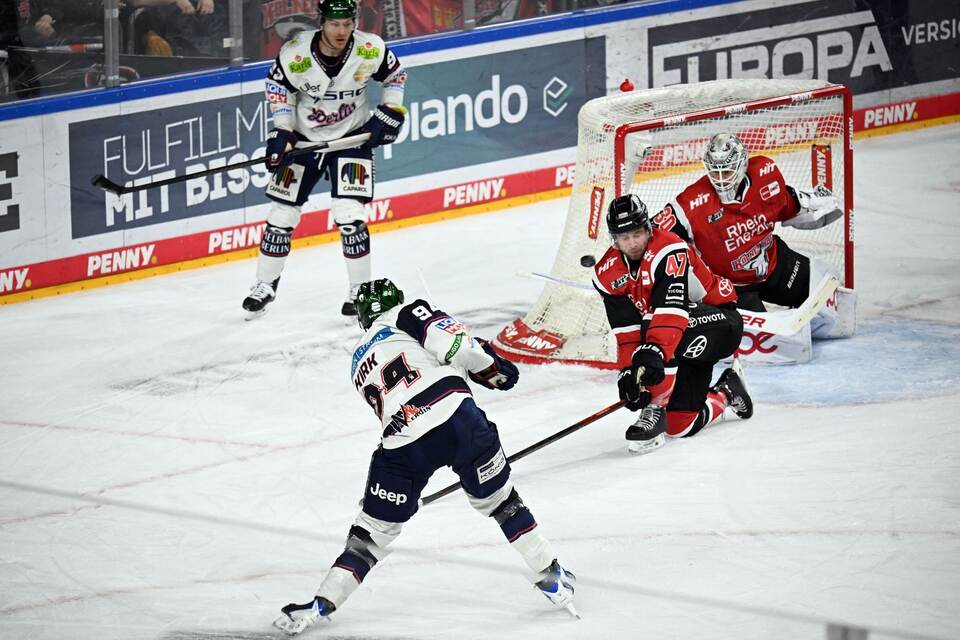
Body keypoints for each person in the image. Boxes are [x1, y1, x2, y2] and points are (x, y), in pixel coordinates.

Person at [272, 278, 577, 635]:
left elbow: (416, 374)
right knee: (502, 503)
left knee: (371, 534)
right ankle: (551, 575)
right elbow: (454, 345)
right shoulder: (406, 311)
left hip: (402, 444)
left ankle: (321, 603)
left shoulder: (357, 360)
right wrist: (492, 368)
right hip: (458, 421)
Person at [242, 0, 407, 319]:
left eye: (347, 23)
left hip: (351, 141)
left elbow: (396, 77)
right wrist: (282, 130)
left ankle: (360, 292)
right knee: (281, 215)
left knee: (350, 216)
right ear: (322, 23)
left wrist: (390, 111)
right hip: (304, 143)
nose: (341, 31)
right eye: (334, 24)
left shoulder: (370, 49)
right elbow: (277, 86)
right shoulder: (296, 53)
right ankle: (264, 284)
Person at [594, 194, 753, 454]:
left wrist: (651, 367)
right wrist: (630, 372)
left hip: (721, 323)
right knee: (679, 426)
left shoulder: (669, 248)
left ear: (648, 228)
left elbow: (671, 312)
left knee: (653, 330)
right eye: (624, 237)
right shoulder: (606, 273)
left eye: (637, 234)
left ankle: (654, 409)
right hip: (680, 339)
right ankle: (727, 391)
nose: (632, 243)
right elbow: (627, 332)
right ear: (614, 239)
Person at [651, 132, 852, 337]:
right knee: (768, 339)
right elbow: (653, 236)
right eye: (714, 172)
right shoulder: (691, 203)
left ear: (742, 164)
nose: (720, 179)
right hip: (731, 288)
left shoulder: (765, 174)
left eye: (727, 171)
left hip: (774, 265)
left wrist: (808, 204)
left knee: (832, 303)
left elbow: (787, 206)